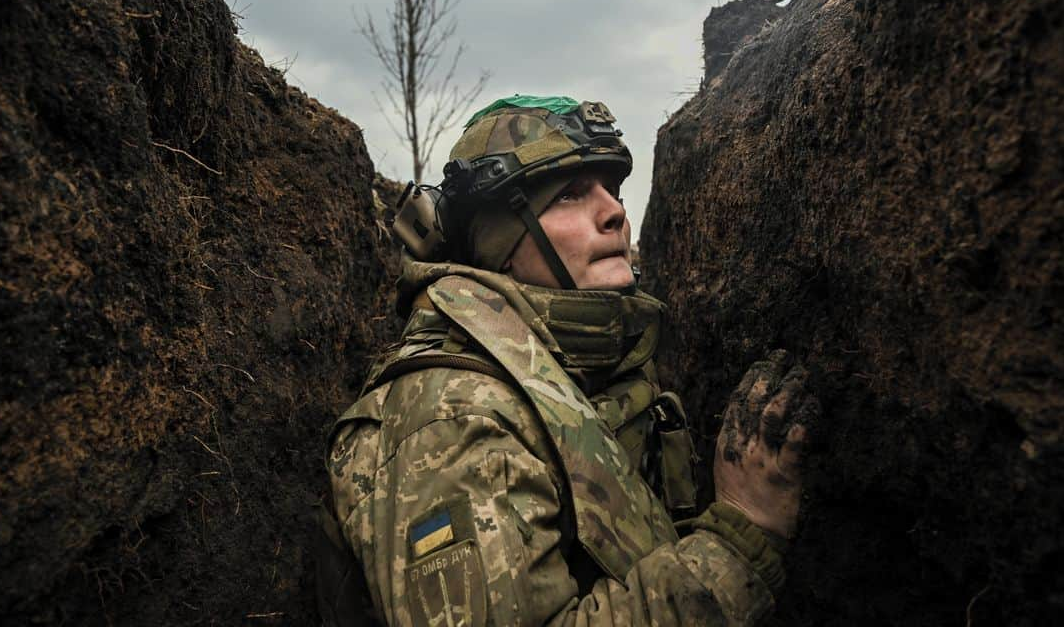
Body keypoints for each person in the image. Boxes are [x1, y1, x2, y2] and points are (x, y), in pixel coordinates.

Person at [316, 95, 816, 626]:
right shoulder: (453, 417)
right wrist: (738, 539)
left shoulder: (585, 370)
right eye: (570, 195)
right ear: (499, 244)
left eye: (611, 189)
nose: (615, 212)